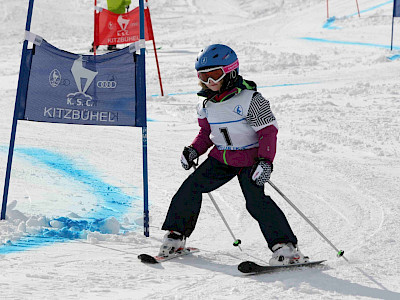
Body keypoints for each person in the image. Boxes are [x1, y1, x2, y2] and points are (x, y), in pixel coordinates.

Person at [158, 44, 309, 266]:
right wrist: (193, 150)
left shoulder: (251, 99)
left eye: (215, 75)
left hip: (250, 160)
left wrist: (266, 161)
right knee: (190, 188)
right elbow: (206, 133)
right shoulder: (205, 103)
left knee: (256, 202)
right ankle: (175, 236)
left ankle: (286, 248)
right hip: (221, 159)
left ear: (231, 72)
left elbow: (268, 132)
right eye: (204, 76)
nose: (210, 82)